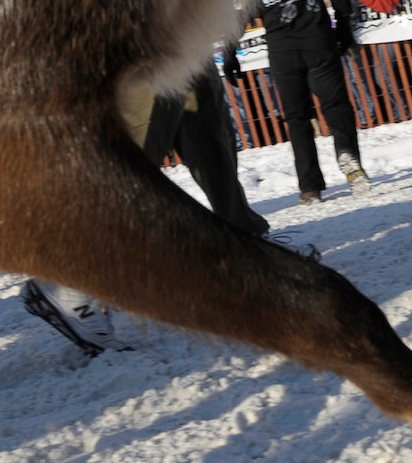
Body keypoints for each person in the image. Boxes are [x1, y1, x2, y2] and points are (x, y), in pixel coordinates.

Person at [21, 60, 271, 356]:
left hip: (186, 27)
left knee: (206, 122)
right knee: (138, 146)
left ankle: (246, 250)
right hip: (144, 28)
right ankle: (70, 280)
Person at [257, 0, 369, 203]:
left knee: (297, 118)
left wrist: (228, 53)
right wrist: (344, 30)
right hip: (317, 40)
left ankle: (310, 188)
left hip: (281, 48)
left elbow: (236, 13)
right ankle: (347, 153)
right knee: (336, 105)